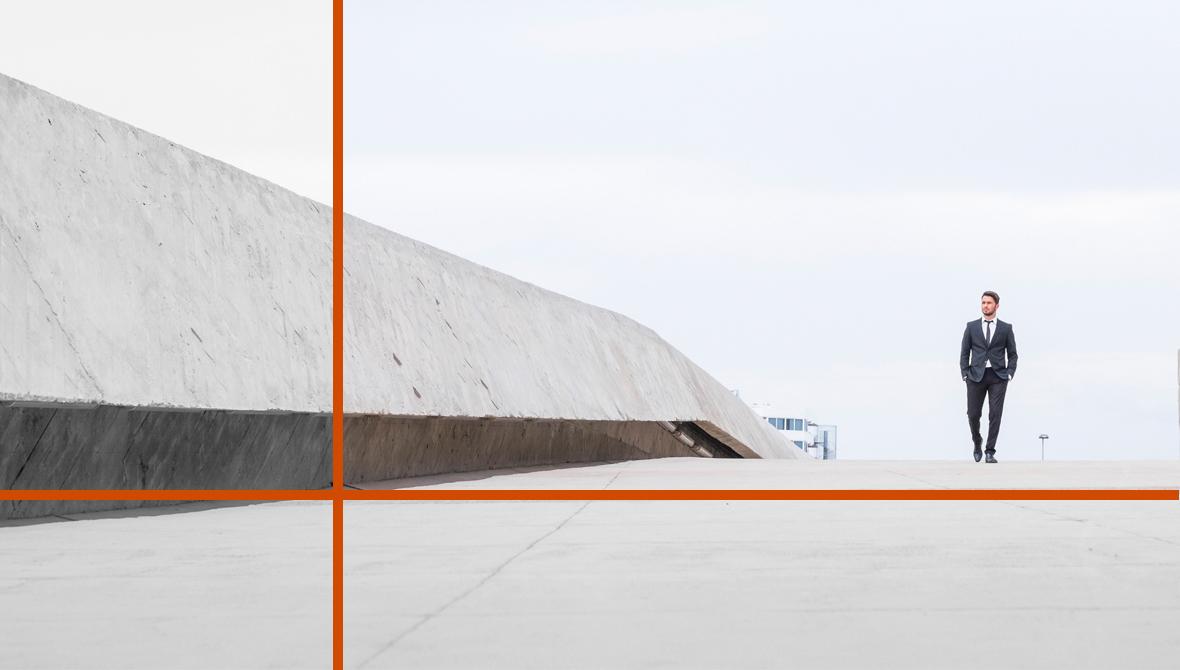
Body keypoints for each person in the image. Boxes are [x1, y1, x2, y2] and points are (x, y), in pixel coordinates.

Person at [959, 291, 1018, 463]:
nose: (986, 305)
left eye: (989, 303)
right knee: (973, 414)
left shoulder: (1006, 328)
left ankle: (990, 451)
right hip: (975, 376)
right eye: (983, 302)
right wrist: (965, 374)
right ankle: (977, 443)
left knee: (995, 414)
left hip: (998, 376)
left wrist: (1009, 373)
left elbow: (1013, 354)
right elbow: (964, 352)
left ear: (996, 306)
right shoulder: (971, 327)